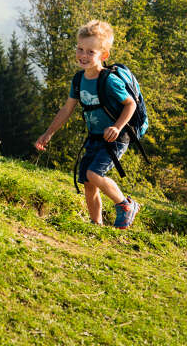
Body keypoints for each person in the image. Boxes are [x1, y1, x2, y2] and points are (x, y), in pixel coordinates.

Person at [35, 20, 140, 229]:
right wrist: (48, 133)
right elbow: (67, 109)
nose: (83, 55)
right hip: (94, 137)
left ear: (104, 55)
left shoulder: (109, 80)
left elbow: (131, 104)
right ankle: (96, 224)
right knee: (88, 183)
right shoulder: (78, 80)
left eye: (90, 51)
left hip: (116, 138)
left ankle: (126, 205)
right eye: (80, 49)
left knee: (94, 174)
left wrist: (117, 127)